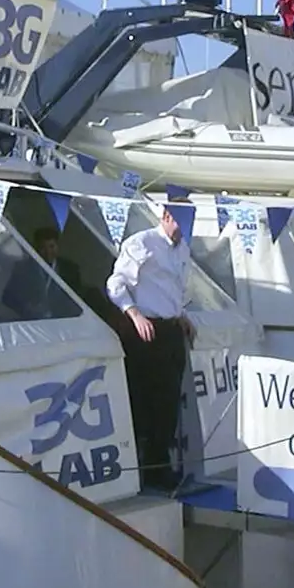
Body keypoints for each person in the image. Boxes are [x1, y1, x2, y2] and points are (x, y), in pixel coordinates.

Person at [106, 201, 195, 492]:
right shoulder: (142, 243)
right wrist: (134, 314)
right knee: (146, 400)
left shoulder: (182, 249)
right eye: (181, 220)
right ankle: (146, 467)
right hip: (146, 329)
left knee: (168, 401)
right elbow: (116, 284)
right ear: (167, 217)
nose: (185, 228)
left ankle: (161, 465)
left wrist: (181, 315)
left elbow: (174, 289)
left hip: (170, 329)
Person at [1, 226, 81, 317]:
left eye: (52, 246)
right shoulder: (23, 269)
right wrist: (26, 308)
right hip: (34, 321)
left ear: (58, 246)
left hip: (63, 320)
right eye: (43, 247)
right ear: (36, 248)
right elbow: (7, 296)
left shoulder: (70, 269)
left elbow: (78, 299)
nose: (48, 252)